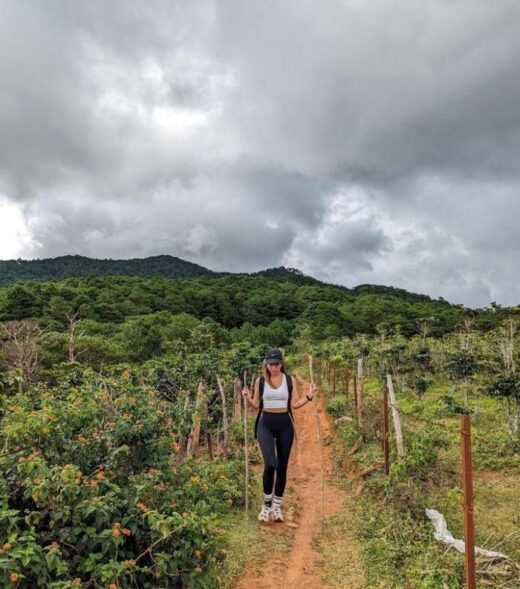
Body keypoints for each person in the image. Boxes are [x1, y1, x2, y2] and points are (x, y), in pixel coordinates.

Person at [242, 348, 319, 523]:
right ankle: (266, 505)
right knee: (271, 464)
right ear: (266, 364)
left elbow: (295, 403)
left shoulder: (289, 380)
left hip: (285, 423)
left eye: (276, 364)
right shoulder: (260, 381)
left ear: (281, 364)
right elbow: (255, 404)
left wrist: (309, 396)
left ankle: (277, 507)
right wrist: (247, 396)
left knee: (282, 467)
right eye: (270, 364)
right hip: (266, 423)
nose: (273, 367)